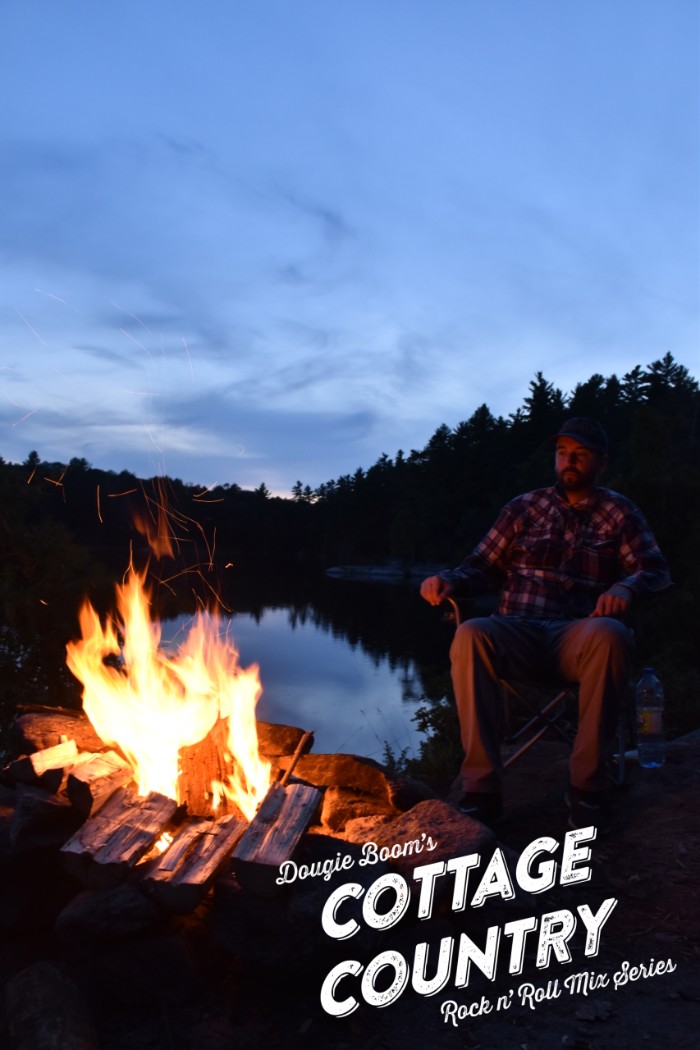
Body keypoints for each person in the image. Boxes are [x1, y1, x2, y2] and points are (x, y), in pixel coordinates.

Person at [420, 417, 671, 830]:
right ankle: (481, 792)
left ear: (600, 462)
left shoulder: (619, 511)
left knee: (611, 634)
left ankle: (587, 788)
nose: (569, 461)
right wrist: (448, 580)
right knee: (470, 633)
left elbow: (655, 569)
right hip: (517, 629)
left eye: (581, 454)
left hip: (579, 635)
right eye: (562, 453)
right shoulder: (524, 507)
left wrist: (627, 588)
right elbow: (480, 567)